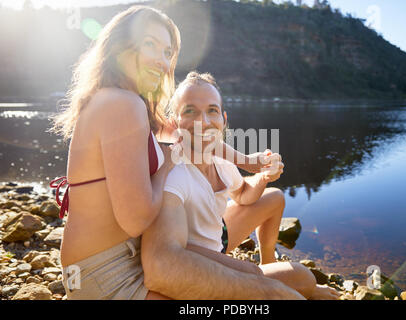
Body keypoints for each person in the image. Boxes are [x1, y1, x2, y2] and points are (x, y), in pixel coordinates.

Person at [49, 5, 272, 300]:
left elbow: (197, 137)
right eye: (150, 45)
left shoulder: (130, 103)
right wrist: (166, 167)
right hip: (107, 274)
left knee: (250, 279)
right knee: (240, 295)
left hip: (116, 261)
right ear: (119, 47)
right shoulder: (123, 104)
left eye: (168, 52)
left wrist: (247, 161)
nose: (162, 60)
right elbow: (137, 220)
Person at [140, 72, 340, 300]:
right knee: (304, 279)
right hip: (198, 261)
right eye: (190, 111)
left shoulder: (221, 160)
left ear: (223, 119)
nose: (203, 122)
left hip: (219, 238)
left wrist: (263, 178)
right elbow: (170, 255)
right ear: (175, 124)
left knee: (275, 197)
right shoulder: (174, 174)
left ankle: (268, 262)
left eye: (212, 111)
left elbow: (244, 195)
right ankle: (269, 274)